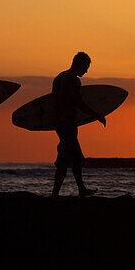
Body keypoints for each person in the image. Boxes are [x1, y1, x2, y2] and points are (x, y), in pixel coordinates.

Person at [52, 51, 106, 197]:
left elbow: (53, 103)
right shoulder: (73, 80)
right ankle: (80, 190)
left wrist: (57, 122)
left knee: (64, 160)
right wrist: (97, 115)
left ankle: (56, 194)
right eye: (86, 66)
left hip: (59, 124)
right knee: (77, 158)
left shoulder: (59, 77)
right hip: (68, 124)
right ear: (79, 64)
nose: (86, 70)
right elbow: (79, 103)